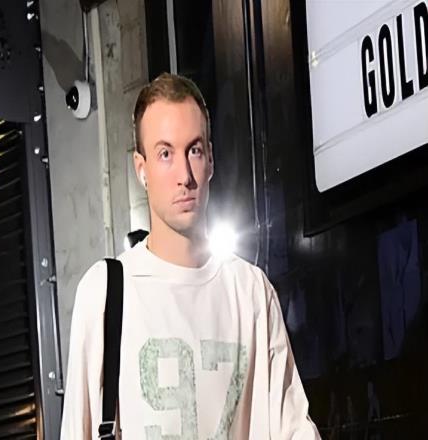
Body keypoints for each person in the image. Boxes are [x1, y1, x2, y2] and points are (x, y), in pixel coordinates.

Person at [60, 72, 320, 439]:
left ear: (210, 159)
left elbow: (293, 428)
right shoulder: (106, 292)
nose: (184, 175)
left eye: (194, 150)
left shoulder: (250, 291)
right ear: (141, 169)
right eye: (165, 154)